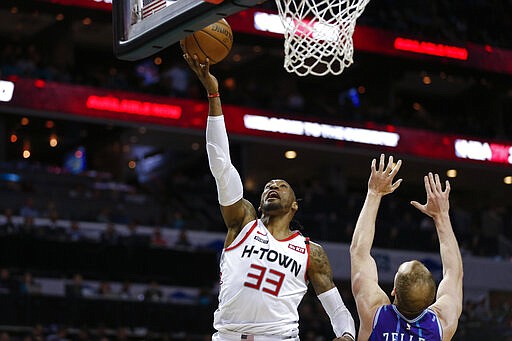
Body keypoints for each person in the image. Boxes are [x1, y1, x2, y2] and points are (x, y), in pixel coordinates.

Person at [183, 53, 355, 341]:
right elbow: (221, 163)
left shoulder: (311, 252)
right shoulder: (242, 222)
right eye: (268, 185)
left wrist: (347, 335)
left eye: (282, 185)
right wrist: (214, 94)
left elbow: (337, 309)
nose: (273, 186)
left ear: (295, 204)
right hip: (227, 336)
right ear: (260, 201)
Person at [350, 154, 463, 340]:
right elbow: (454, 273)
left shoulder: (374, 315)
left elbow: (358, 252)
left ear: (393, 291)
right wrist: (442, 217)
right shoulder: (443, 325)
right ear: (431, 301)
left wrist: (374, 193)